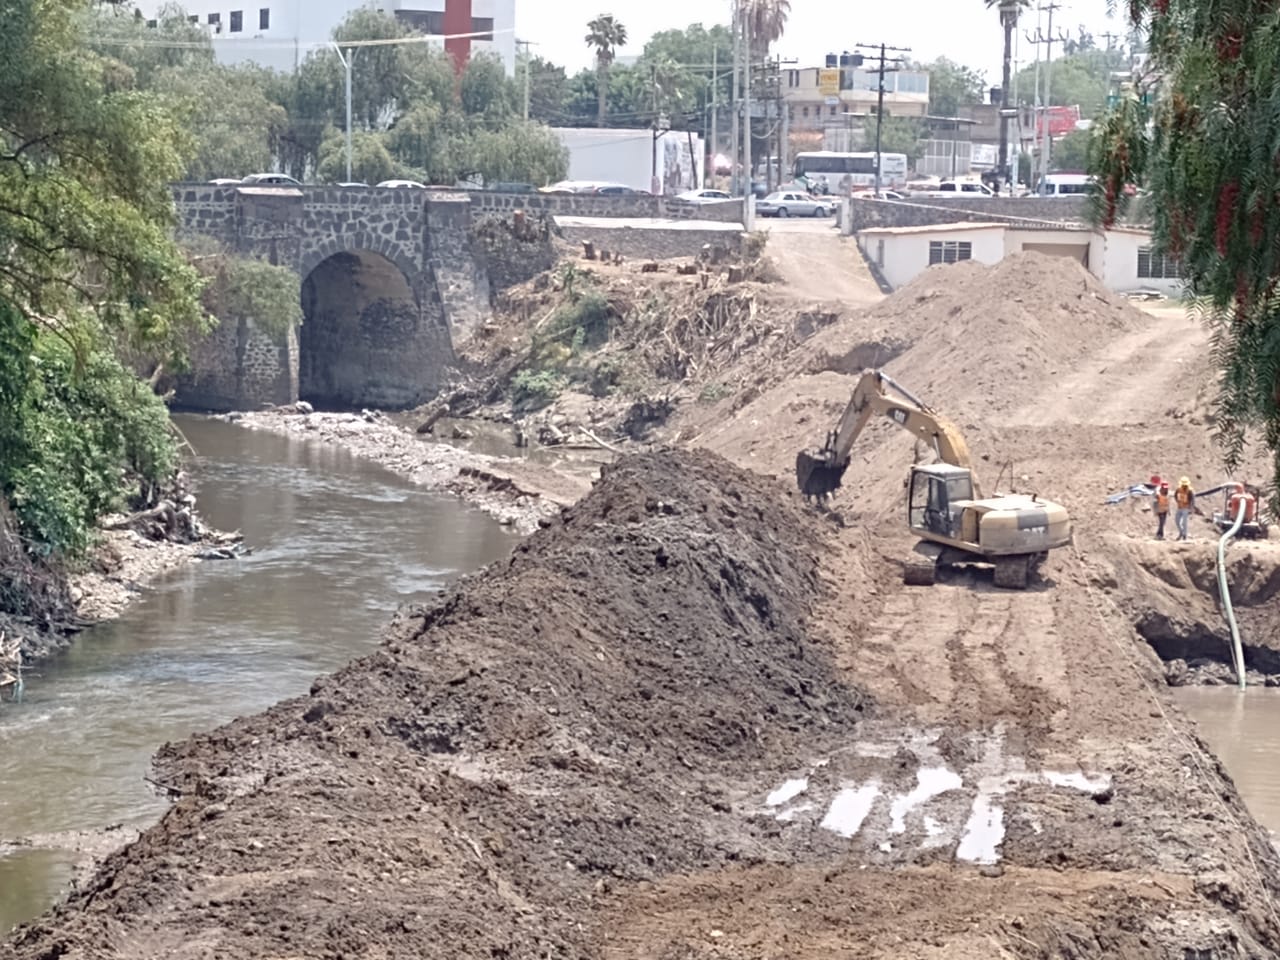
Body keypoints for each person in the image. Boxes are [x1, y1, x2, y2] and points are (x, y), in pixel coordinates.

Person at [1174, 476, 1195, 541]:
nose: (1184, 486)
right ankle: (1181, 532)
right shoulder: (1178, 489)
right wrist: (1178, 502)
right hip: (1179, 507)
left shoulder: (1190, 491)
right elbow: (1175, 496)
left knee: (1184, 522)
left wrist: (1191, 509)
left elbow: (1192, 500)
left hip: (1186, 508)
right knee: (1177, 521)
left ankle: (1184, 535)